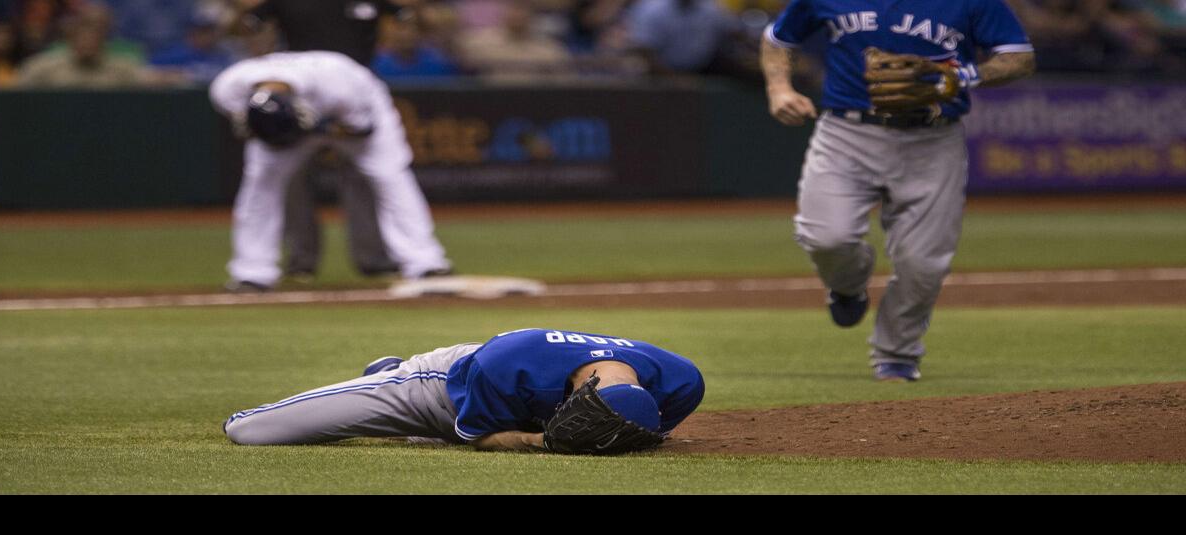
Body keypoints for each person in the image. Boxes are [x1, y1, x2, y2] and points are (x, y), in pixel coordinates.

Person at [761, 0, 1036, 382]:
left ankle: (897, 355)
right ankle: (847, 285)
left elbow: (1018, 56)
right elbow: (777, 39)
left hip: (934, 138)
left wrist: (959, 77)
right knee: (826, 237)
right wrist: (778, 89)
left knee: (924, 263)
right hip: (846, 132)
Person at [224, 328, 706, 454]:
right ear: (586, 386)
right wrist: (542, 442)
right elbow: (477, 436)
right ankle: (387, 375)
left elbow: (641, 427)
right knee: (252, 432)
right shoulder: (509, 363)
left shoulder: (682, 382)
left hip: (509, 393)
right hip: (443, 387)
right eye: (587, 409)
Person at [209, 50, 452, 290]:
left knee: (390, 175)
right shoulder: (227, 89)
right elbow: (255, 127)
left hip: (349, 118)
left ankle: (425, 262)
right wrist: (279, 134)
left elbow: (361, 129)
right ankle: (252, 272)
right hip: (286, 125)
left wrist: (316, 129)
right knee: (260, 185)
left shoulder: (341, 87)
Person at [234, 0, 407, 280]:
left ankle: (374, 260)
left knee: (364, 177)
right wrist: (266, 61)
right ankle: (302, 261)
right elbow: (250, 24)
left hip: (353, 93)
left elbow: (407, 19)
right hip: (300, 93)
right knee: (292, 179)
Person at [15, 6, 153, 88]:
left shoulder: (122, 69)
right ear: (72, 39)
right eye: (82, 37)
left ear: (103, 40)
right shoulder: (43, 67)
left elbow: (149, 89)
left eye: (93, 37)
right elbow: (16, 93)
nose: (87, 43)